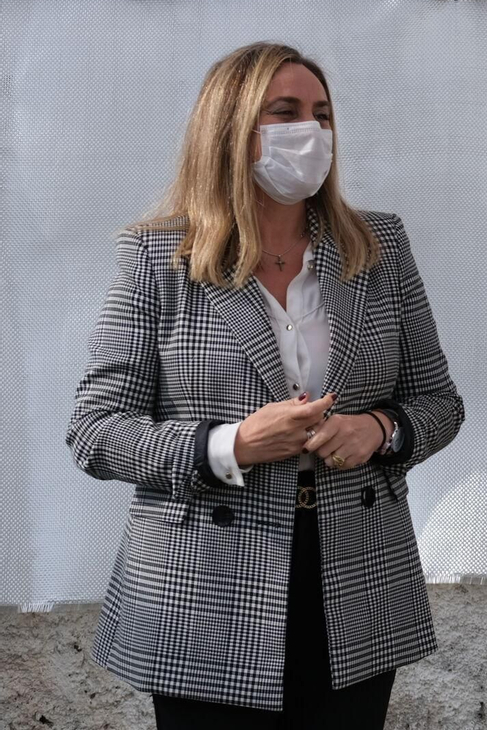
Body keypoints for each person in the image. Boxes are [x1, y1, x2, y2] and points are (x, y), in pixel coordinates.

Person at [68, 42, 465, 729]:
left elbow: (439, 401)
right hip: (206, 585)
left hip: (357, 574)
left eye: (322, 113)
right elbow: (96, 429)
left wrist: (379, 429)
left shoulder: (380, 247)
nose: (310, 132)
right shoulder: (158, 258)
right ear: (228, 129)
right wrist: (231, 445)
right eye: (284, 112)